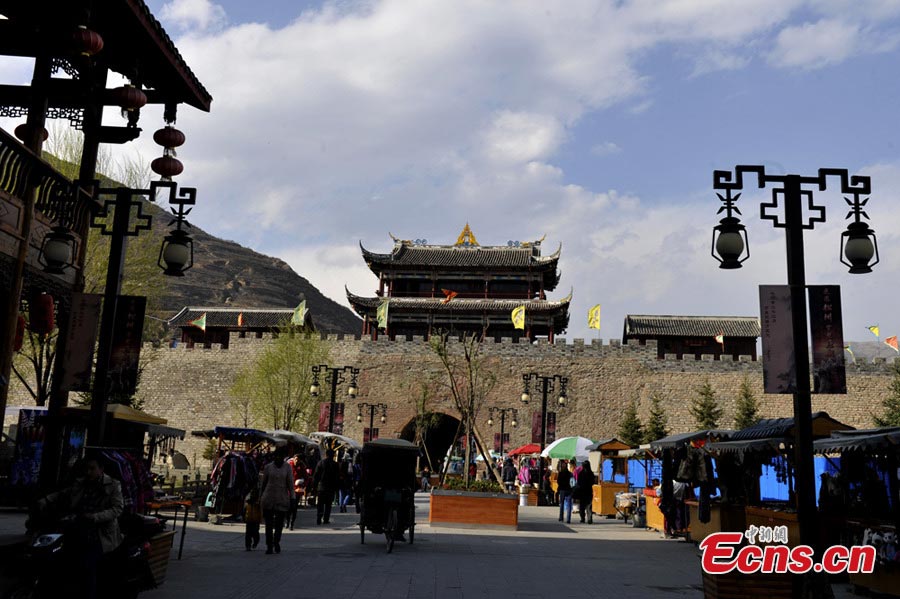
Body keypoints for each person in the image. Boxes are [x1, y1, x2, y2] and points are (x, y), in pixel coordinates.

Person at [38, 452, 124, 599]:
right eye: (87, 469)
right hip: (77, 527)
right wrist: (47, 499)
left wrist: (95, 517)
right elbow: (64, 493)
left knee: (87, 567)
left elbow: (117, 509)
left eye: (92, 468)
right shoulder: (81, 483)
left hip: (100, 533)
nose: (88, 472)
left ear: (101, 469)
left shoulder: (113, 485)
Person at [260, 450, 293, 554]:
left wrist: (293, 498)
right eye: (276, 456)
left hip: (282, 498)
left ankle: (276, 541)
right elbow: (263, 484)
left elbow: (290, 484)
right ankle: (269, 545)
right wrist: (260, 497)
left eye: (280, 456)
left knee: (279, 524)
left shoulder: (287, 467)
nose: (278, 458)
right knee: (268, 524)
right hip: (268, 498)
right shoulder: (268, 467)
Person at [313, 448, 340, 525]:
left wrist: (314, 486)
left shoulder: (320, 463)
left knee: (320, 503)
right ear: (333, 455)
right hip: (331, 487)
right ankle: (326, 519)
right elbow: (337, 477)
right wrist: (336, 488)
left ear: (326, 454)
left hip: (321, 487)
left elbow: (316, 476)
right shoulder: (335, 465)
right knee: (328, 504)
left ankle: (319, 517)